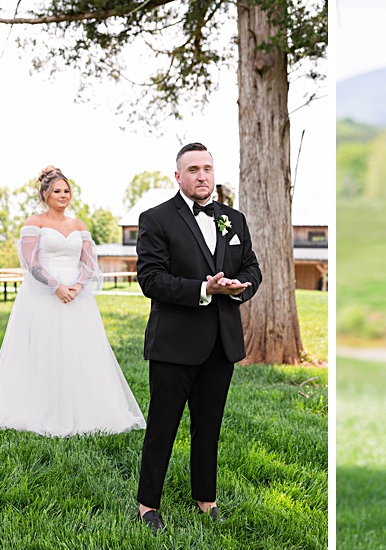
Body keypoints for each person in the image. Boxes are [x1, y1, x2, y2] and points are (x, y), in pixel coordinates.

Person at [0, 166, 146, 437]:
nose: (63, 195)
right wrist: (56, 287)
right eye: (57, 191)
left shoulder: (79, 225)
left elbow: (88, 261)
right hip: (42, 295)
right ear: (45, 194)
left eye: (66, 190)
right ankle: (42, 403)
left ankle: (81, 403)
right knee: (44, 347)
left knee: (78, 349)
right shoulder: (34, 223)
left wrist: (78, 286)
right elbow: (31, 262)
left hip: (77, 297)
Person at [134, 142, 261, 533]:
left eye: (207, 168)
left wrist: (241, 287)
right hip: (174, 344)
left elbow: (253, 268)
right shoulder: (156, 219)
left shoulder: (234, 219)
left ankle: (206, 498)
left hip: (221, 342)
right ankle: (147, 504)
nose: (202, 175)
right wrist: (202, 289)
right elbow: (150, 279)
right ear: (178, 176)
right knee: (163, 425)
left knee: (209, 425)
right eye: (192, 170)